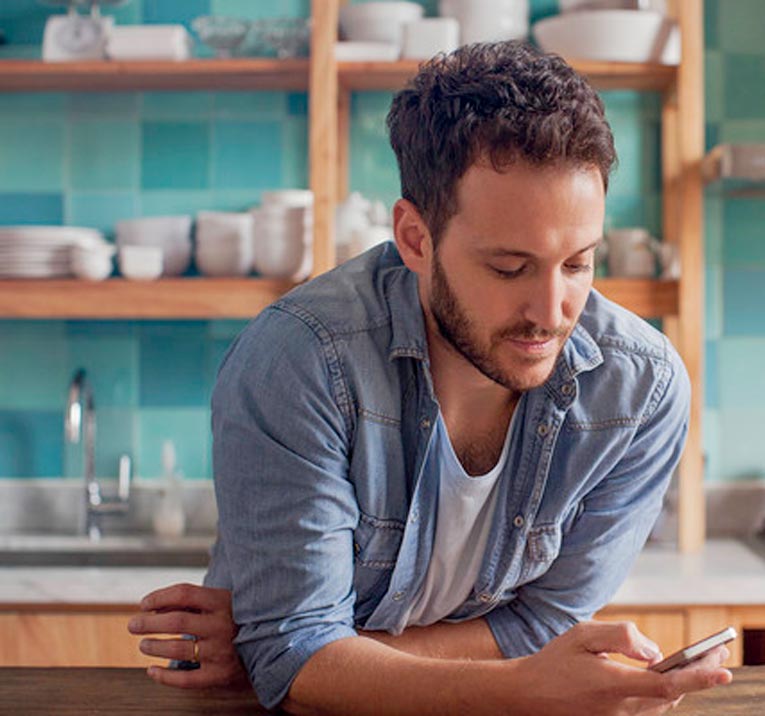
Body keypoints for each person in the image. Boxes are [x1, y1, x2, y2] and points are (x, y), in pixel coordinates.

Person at [128, 41, 731, 714]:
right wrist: (305, 660)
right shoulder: (302, 360)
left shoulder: (640, 389)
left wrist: (304, 657)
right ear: (415, 239)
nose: (552, 311)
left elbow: (540, 625)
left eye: (579, 263)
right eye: (508, 268)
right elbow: (302, 660)